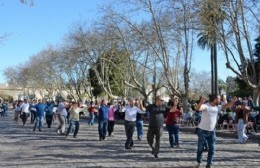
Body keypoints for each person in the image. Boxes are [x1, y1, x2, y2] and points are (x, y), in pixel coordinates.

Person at [195, 94, 237, 168]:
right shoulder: (206, 106)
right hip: (202, 131)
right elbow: (198, 108)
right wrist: (201, 102)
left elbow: (226, 106)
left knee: (212, 149)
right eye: (219, 99)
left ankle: (209, 164)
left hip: (212, 131)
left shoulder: (218, 107)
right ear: (214, 99)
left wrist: (233, 101)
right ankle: (199, 161)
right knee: (200, 148)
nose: (220, 100)